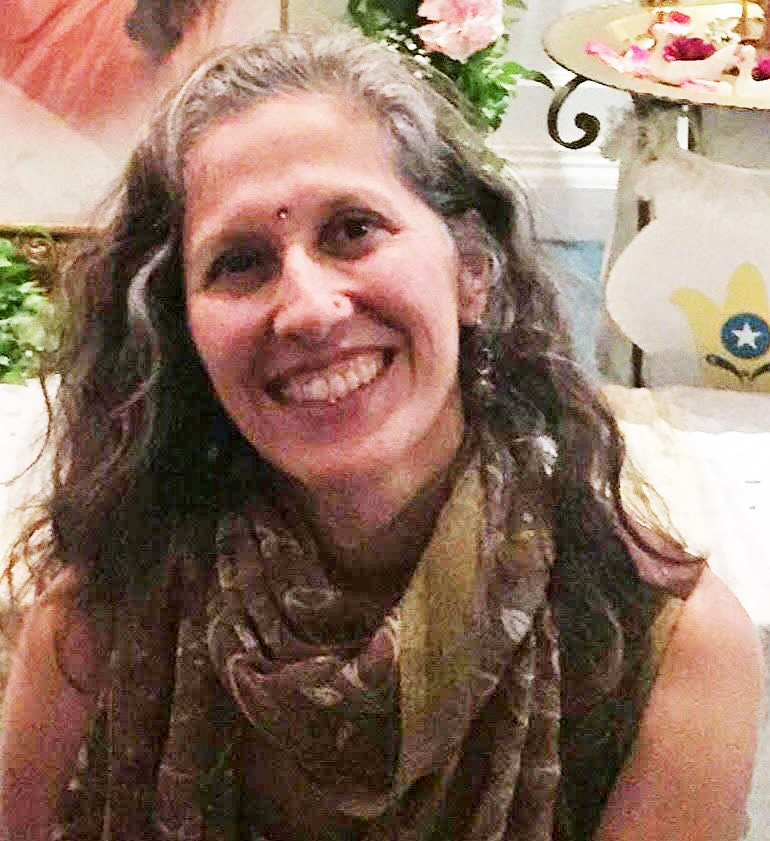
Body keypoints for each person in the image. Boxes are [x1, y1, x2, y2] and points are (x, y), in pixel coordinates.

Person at [0, 28, 762, 841]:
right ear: (181, 331)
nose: (308, 309)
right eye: (240, 261)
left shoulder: (666, 649)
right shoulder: (101, 613)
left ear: (471, 268)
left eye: (353, 229)